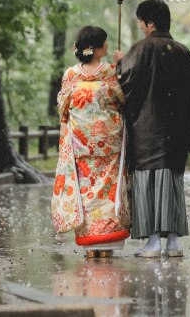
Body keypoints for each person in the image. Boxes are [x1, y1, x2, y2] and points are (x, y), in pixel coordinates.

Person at [115, 0, 190, 258]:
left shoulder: (142, 48)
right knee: (171, 185)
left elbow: (124, 84)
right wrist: (186, 134)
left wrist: (119, 62)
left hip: (147, 132)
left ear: (151, 22)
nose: (141, 28)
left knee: (148, 185)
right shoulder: (182, 51)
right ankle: (173, 244)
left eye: (142, 23)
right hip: (175, 134)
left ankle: (153, 242)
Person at [52, 26, 130, 259]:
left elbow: (63, 107)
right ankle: (106, 243)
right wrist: (122, 66)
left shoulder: (71, 75)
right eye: (104, 43)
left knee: (86, 191)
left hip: (81, 141)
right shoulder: (110, 73)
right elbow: (122, 99)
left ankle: (91, 246)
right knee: (105, 190)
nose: (107, 46)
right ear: (95, 48)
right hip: (108, 140)